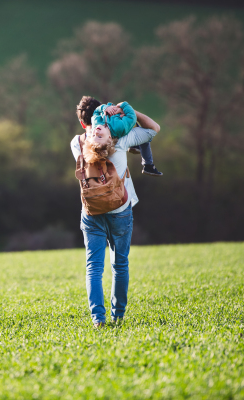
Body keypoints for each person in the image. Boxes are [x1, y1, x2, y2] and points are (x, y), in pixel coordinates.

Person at [71, 96, 161, 326]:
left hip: (91, 211)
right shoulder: (120, 139)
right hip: (120, 209)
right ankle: (118, 316)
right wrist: (127, 112)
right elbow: (153, 129)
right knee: (120, 265)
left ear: (84, 123)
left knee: (94, 267)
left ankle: (98, 319)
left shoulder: (77, 142)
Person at [92, 101, 163, 177]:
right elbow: (132, 117)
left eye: (93, 135)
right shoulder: (118, 128)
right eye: (99, 137)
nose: (96, 132)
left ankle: (139, 151)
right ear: (109, 138)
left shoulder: (96, 125)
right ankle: (147, 163)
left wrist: (104, 108)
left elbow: (96, 112)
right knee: (139, 127)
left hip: (110, 107)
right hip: (122, 116)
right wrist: (124, 106)